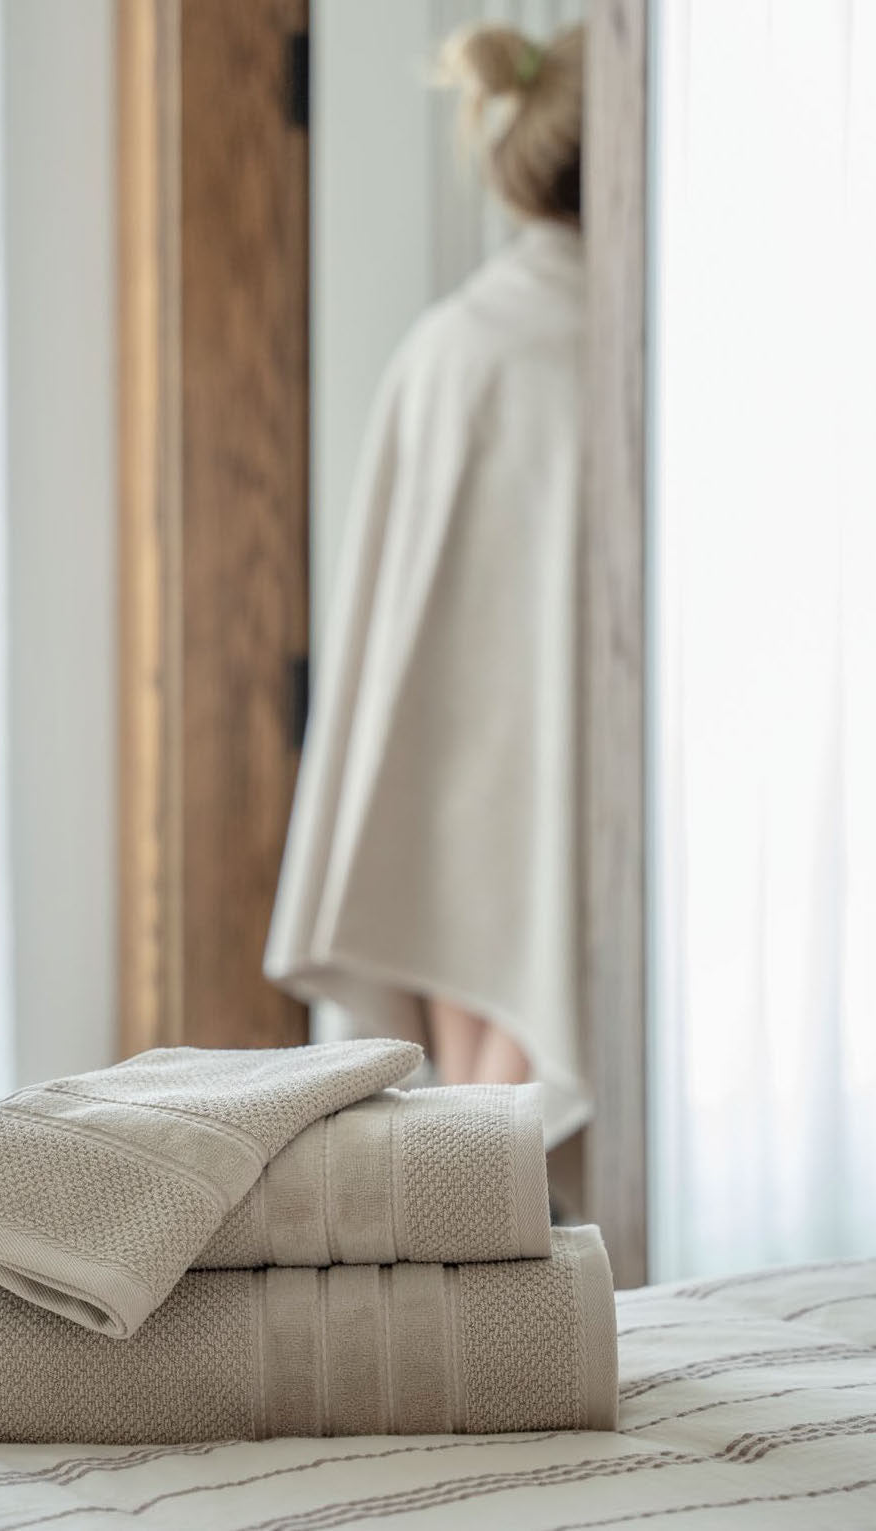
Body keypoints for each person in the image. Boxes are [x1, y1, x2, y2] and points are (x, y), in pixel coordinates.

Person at [265, 24, 589, 1150]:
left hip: (451, 795)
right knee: (510, 1128)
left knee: (470, 1127)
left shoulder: (450, 345)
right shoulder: (609, 349)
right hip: (560, 786)